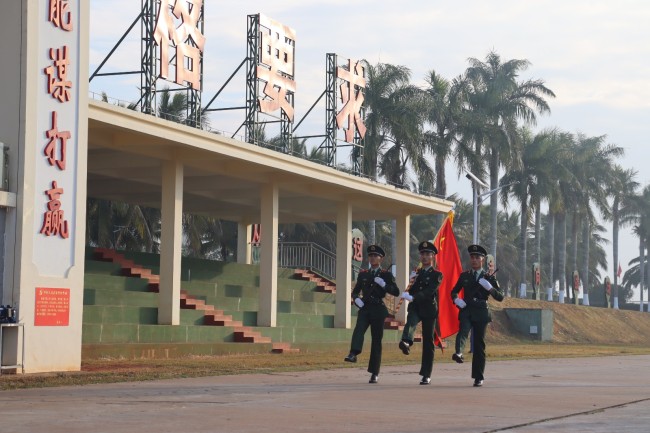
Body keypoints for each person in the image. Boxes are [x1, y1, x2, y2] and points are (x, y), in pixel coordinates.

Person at [344, 244, 400, 383]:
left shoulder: (386, 275)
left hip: (378, 309)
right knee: (358, 330)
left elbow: (396, 291)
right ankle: (353, 353)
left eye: (376, 256)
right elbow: (355, 291)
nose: (373, 258)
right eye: (370, 255)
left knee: (376, 341)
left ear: (381, 259)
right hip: (365, 307)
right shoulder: (363, 274)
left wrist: (384, 285)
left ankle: (374, 372)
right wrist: (356, 299)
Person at [450, 244, 504, 387]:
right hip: (467, 309)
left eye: (477, 257)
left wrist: (490, 288)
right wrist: (456, 300)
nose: (474, 260)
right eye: (472, 257)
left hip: (481, 311)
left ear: (483, 260)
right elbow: (454, 291)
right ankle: (459, 352)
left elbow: (500, 297)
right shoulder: (464, 276)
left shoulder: (489, 278)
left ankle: (478, 376)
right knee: (463, 331)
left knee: (479, 345)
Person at [398, 241, 443, 385]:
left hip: (429, 308)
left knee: (428, 341)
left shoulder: (437, 274)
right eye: (422, 254)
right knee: (410, 321)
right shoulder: (416, 273)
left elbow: (430, 291)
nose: (424, 257)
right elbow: (410, 289)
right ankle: (406, 341)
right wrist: (411, 281)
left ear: (433, 256)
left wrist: (413, 296)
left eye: (428, 254)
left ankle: (426, 374)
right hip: (416, 307)